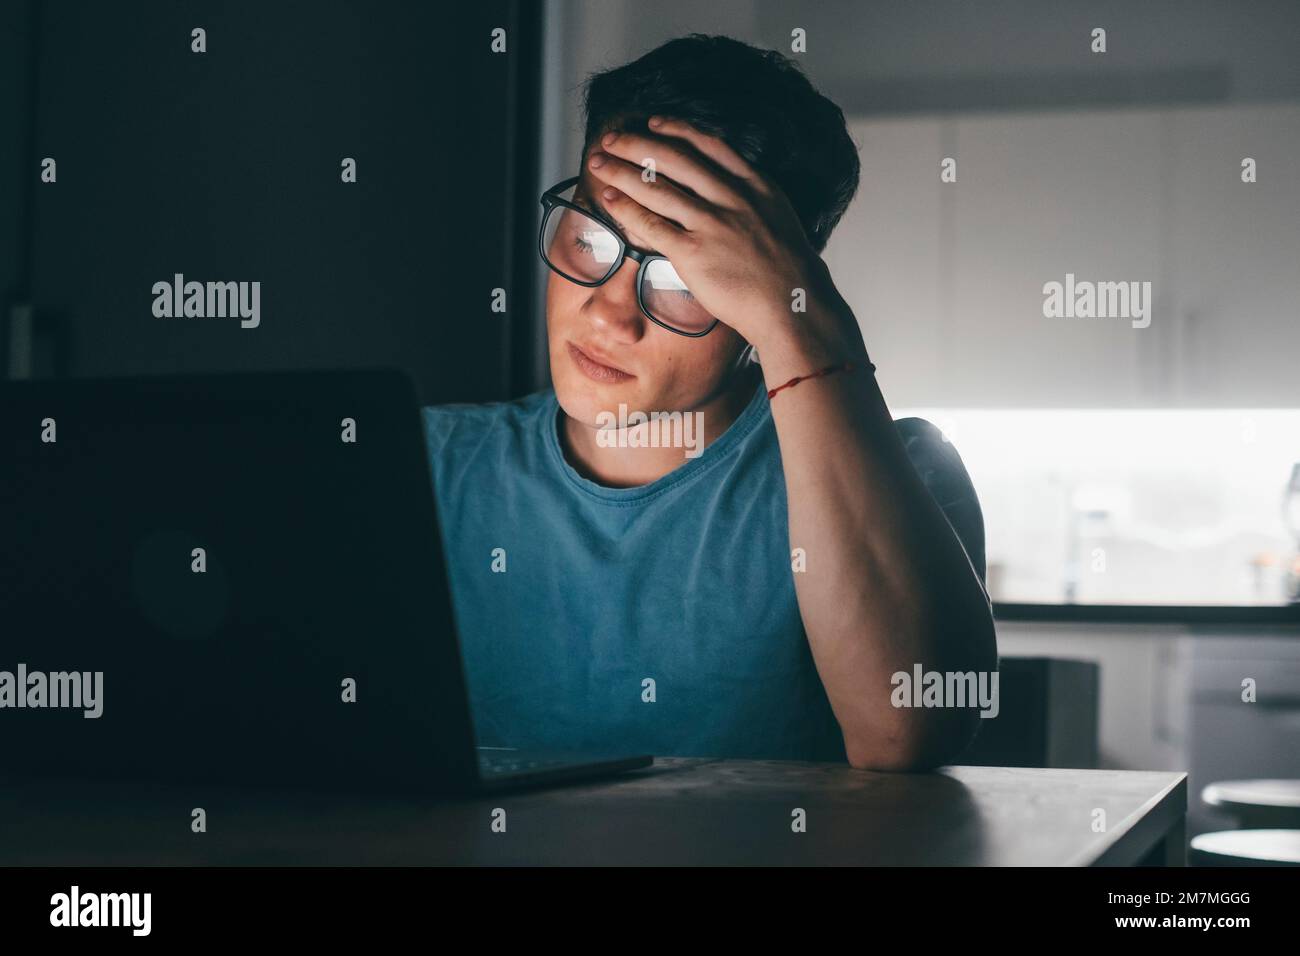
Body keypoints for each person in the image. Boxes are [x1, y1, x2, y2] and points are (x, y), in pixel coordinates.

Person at [424, 34, 995, 770]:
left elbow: (908, 732)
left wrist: (802, 321)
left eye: (680, 281)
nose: (608, 315)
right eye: (591, 241)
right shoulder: (424, 468)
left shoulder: (902, 475)